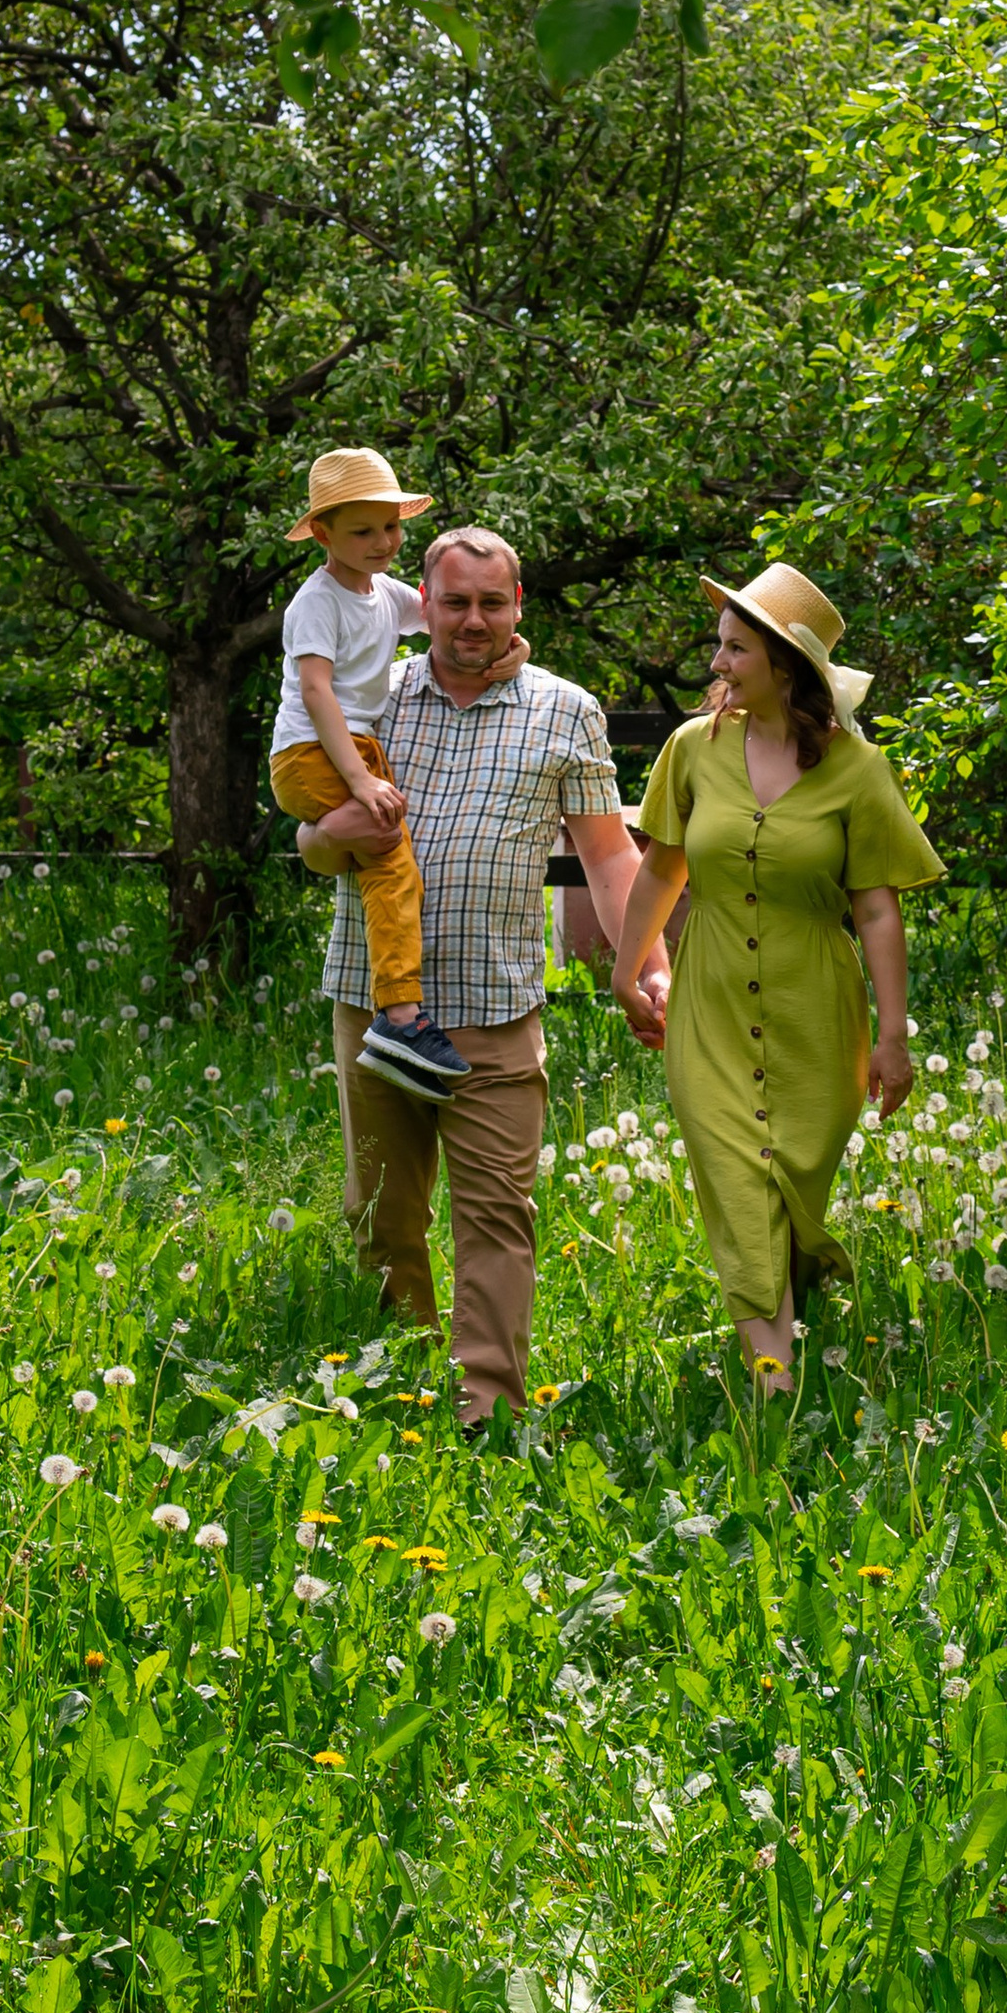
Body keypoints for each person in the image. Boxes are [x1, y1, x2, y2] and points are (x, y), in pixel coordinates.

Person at [297, 526, 670, 1429]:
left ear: (518, 608)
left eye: (491, 603)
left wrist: (648, 965)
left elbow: (610, 860)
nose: (473, 621)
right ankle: (398, 1384)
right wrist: (322, 840)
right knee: (380, 1213)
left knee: (498, 1217)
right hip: (376, 1003)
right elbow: (313, 838)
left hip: (497, 1010)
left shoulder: (565, 710)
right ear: (423, 604)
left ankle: (484, 1414)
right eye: (455, 602)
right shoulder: (372, 698)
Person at [612, 564, 940, 1383]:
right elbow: (660, 870)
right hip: (711, 1002)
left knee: (793, 1177)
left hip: (817, 1013)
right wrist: (627, 971)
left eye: (734, 650)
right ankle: (775, 1387)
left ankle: (797, 1298)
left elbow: (875, 911)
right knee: (735, 1175)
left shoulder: (858, 772)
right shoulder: (693, 751)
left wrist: (892, 1037)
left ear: (786, 666)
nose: (717, 665)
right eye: (719, 647)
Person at [267, 446, 501, 1102]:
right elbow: (317, 693)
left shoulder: (381, 593)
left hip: (351, 750)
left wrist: (517, 646)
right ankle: (400, 1017)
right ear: (323, 533)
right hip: (316, 751)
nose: (384, 542)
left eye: (392, 527)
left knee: (386, 868)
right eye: (363, 531)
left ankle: (398, 1015)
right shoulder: (318, 602)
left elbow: (445, 615)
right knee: (394, 861)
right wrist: (361, 779)